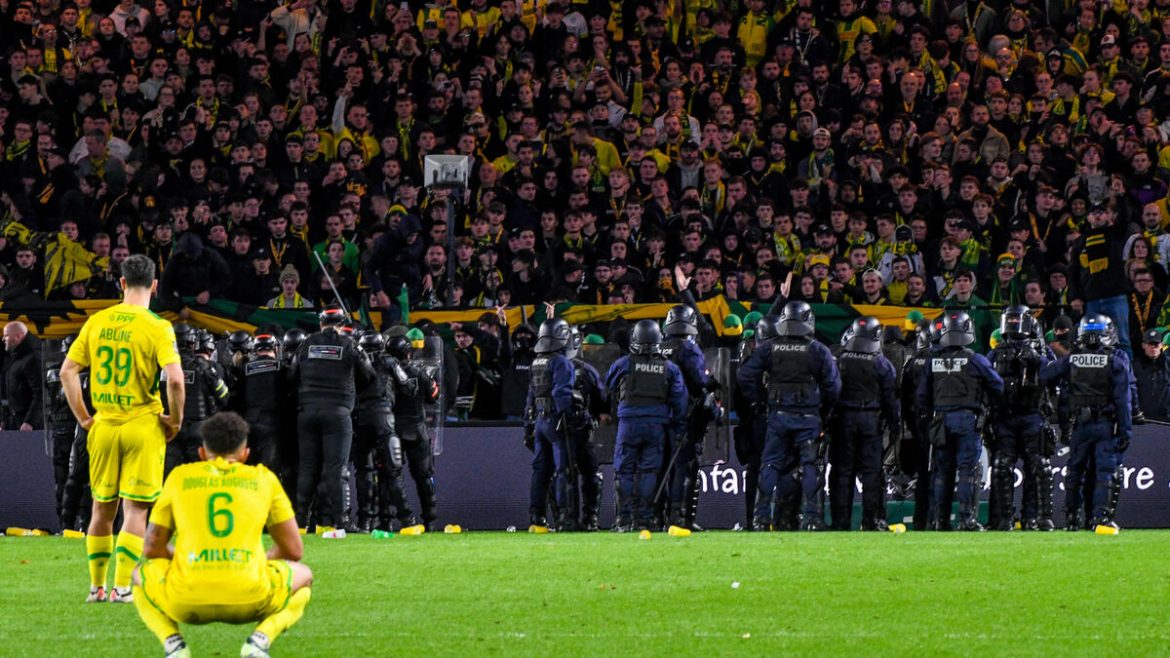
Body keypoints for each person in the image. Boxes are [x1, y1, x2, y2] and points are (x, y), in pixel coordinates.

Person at [130, 411, 312, 658]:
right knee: (304, 577)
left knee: (138, 574)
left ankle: (173, 645)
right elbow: (294, 551)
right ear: (245, 455)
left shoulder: (180, 477)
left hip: (185, 601)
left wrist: (182, 555)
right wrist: (256, 559)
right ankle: (260, 641)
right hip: (251, 596)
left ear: (202, 453)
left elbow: (152, 548)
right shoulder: (264, 479)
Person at [59, 254, 185, 603]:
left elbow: (68, 372)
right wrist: (174, 420)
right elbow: (174, 379)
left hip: (103, 426)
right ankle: (122, 588)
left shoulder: (97, 321)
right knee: (135, 510)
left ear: (122, 283)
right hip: (142, 424)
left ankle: (96, 587)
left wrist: (85, 418)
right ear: (155, 286)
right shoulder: (157, 326)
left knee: (101, 509)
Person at [737, 301, 840, 531]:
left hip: (778, 413)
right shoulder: (817, 349)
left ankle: (761, 519)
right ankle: (812, 519)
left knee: (769, 465)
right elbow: (833, 386)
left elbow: (745, 374)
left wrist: (758, 401)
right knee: (810, 466)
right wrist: (824, 411)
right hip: (808, 416)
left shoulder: (770, 347)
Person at [289, 305, 375, 538]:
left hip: (307, 412)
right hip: (337, 413)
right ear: (341, 324)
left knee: (307, 467)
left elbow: (292, 375)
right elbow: (369, 376)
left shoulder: (305, 344)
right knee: (336, 469)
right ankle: (342, 521)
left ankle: (300, 523)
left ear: (321, 324)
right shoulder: (350, 345)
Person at [1041, 314, 1133, 531]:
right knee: (1106, 471)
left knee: (1075, 471)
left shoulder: (1072, 359)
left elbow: (1045, 374)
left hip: (1079, 425)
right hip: (1105, 424)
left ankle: (1073, 520)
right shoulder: (1115, 361)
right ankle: (1100, 519)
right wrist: (1125, 431)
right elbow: (1123, 401)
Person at [916, 311, 1004, 531]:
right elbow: (998, 385)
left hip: (940, 421)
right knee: (968, 470)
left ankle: (940, 520)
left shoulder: (933, 361)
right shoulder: (975, 360)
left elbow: (921, 396)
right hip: (967, 419)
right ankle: (966, 520)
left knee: (942, 472)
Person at [604, 319, 687, 532]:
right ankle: (645, 519)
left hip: (628, 424)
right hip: (656, 425)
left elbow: (608, 387)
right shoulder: (670, 368)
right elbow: (679, 401)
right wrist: (678, 426)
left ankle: (624, 519)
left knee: (624, 471)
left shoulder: (623, 364)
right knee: (649, 471)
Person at [987, 305, 1056, 531]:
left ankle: (1035, 518)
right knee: (1001, 467)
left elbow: (1054, 375)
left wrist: (1037, 360)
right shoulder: (995, 353)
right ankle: (1003, 519)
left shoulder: (1042, 351)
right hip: (1004, 417)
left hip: (1032, 415)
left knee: (1038, 467)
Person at [829, 317, 900, 531]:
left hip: (843, 419)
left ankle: (840, 522)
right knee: (872, 472)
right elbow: (890, 399)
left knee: (842, 473)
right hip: (870, 419)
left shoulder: (839, 359)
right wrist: (894, 425)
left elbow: (830, 390)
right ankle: (871, 521)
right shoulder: (881, 363)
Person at [660, 304, 718, 533]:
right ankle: (680, 517)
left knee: (660, 466)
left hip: (659, 415)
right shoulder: (689, 349)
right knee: (685, 466)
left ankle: (658, 516)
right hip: (685, 416)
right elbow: (700, 381)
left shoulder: (659, 346)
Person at [351, 332, 410, 533]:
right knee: (393, 471)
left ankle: (365, 521)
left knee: (364, 471)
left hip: (359, 418)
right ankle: (407, 519)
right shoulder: (389, 361)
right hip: (383, 417)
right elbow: (407, 385)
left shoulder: (355, 362)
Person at [523, 318, 577, 532]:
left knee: (540, 472)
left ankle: (537, 517)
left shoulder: (536, 361)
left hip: (539, 420)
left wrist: (527, 424)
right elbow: (561, 392)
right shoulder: (562, 362)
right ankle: (564, 518)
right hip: (556, 419)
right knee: (563, 470)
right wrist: (568, 414)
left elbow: (530, 394)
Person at [385, 334, 440, 534]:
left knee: (391, 477)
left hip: (393, 431)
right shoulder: (420, 372)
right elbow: (434, 396)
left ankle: (395, 520)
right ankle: (430, 522)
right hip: (417, 430)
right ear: (408, 351)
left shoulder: (386, 373)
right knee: (424, 477)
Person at [566, 325, 606, 531]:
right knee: (590, 473)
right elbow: (602, 398)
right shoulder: (587, 370)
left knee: (562, 473)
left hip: (559, 431)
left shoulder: (545, 366)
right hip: (581, 429)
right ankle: (590, 519)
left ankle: (566, 519)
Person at [45, 336, 79, 530]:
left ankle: (65, 525)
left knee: (64, 479)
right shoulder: (89, 369)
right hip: (80, 428)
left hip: (62, 430)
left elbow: (50, 403)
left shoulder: (53, 371)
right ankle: (79, 524)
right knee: (81, 479)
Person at [3, 320, 43, 431]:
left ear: (17, 336)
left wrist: (30, 422)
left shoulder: (34, 358)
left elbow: (41, 392)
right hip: (14, 423)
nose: (3, 339)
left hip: (27, 427)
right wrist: (4, 421)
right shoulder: (15, 357)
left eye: (6, 336)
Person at [1132, 330, 1170, 422]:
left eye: (1156, 344)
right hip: (1143, 420)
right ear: (1143, 345)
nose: (1153, 347)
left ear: (1161, 345)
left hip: (1166, 420)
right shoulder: (1134, 366)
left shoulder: (1168, 364)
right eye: (1150, 344)